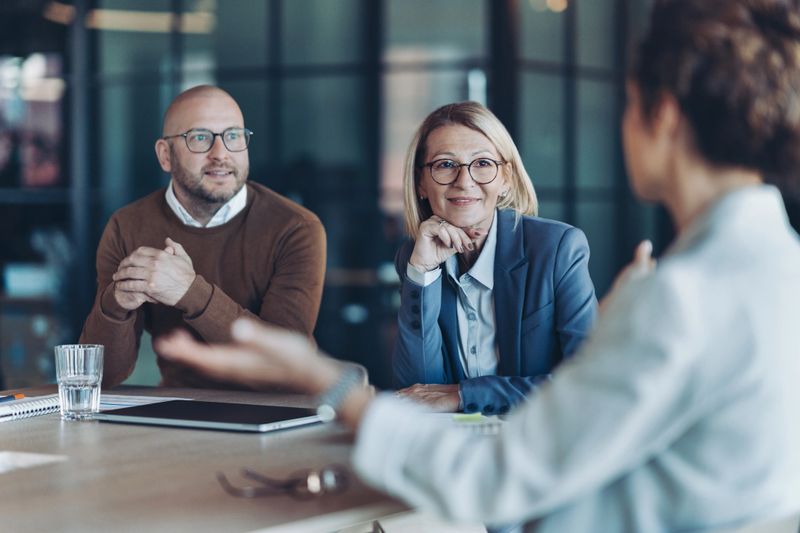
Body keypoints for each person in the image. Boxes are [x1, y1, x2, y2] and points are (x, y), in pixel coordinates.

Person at [157, 0, 800, 530]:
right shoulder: (773, 265)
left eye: (629, 104)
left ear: (661, 115)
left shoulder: (680, 296)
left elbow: (496, 483)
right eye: (444, 167)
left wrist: (323, 380)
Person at [80, 85, 326, 389]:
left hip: (277, 414)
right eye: (200, 137)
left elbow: (283, 368)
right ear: (165, 155)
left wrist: (189, 290)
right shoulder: (127, 226)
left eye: (233, 136)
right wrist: (116, 303)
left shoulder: (296, 227)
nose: (221, 154)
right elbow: (102, 377)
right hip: (178, 412)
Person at [393, 102, 597, 414]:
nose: (464, 181)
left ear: (506, 179)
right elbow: (421, 385)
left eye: (483, 163)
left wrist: (464, 394)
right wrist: (423, 273)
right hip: (454, 445)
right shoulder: (415, 256)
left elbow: (590, 382)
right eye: (445, 165)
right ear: (421, 183)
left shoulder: (558, 249)